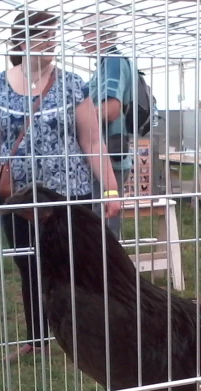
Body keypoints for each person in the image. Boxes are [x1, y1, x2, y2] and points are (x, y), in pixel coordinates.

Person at [0, 10, 121, 362]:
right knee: (30, 267)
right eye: (44, 37)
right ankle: (36, 339)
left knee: (79, 267)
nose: (51, 43)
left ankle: (89, 338)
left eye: (53, 36)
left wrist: (112, 189)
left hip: (73, 197)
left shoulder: (72, 84)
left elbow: (91, 140)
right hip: (21, 201)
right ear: (22, 41)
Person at [81, 14, 133, 239]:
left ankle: (107, 271)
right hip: (105, 155)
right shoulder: (104, 64)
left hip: (109, 158)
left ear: (98, 34)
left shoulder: (112, 61)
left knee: (104, 227)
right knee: (98, 222)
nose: (83, 41)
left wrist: (78, 118)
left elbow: (111, 109)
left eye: (85, 35)